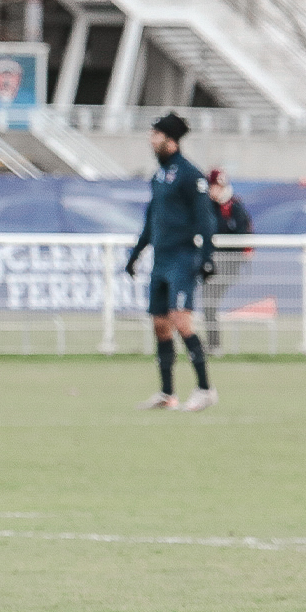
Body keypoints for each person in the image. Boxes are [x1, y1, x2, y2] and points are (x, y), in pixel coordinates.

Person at [127, 113, 217, 411]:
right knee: (160, 326)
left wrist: (206, 258)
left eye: (156, 135)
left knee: (181, 321)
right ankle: (167, 394)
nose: (151, 141)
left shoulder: (191, 175)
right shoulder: (159, 176)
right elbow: (152, 219)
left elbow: (205, 220)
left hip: (182, 258)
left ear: (170, 139)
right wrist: (137, 252)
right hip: (161, 260)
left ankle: (205, 389)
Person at [202, 167, 252, 351]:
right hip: (211, 262)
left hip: (229, 263)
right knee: (208, 303)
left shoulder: (234, 207)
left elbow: (241, 235)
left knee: (209, 301)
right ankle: (213, 345)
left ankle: (214, 346)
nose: (214, 190)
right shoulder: (207, 206)